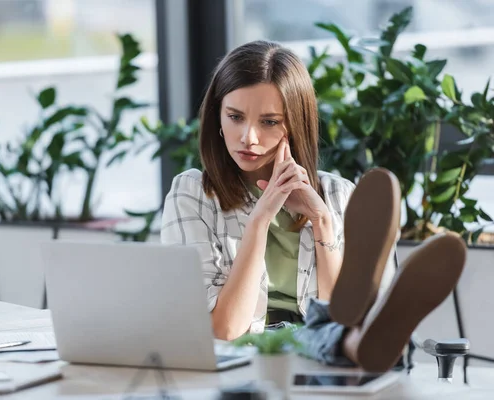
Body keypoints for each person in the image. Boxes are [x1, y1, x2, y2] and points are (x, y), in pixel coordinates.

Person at [160, 39, 466, 372]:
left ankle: (372, 325)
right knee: (322, 337)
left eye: (269, 122)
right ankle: (369, 335)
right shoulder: (193, 193)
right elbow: (224, 330)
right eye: (235, 116)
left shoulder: (338, 194)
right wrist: (260, 220)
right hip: (249, 352)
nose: (248, 137)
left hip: (321, 349)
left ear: (296, 123)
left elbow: (336, 309)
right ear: (217, 117)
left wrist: (322, 220)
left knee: (333, 326)